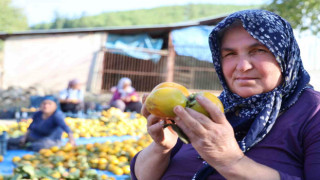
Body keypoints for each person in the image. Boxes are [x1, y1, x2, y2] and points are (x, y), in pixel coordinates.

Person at [131, 9, 320, 180]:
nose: (243, 66)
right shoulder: (208, 107)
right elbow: (142, 176)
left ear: (284, 55)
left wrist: (231, 161)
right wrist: (163, 148)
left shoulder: (312, 113)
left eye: (258, 50)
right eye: (230, 54)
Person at [7, 96, 76, 151]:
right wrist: (24, 138)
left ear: (55, 106)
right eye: (44, 103)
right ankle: (22, 145)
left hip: (50, 140)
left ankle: (27, 146)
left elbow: (66, 129)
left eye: (49, 104)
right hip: (34, 137)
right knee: (10, 141)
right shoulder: (38, 114)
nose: (46, 106)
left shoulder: (57, 115)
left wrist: (71, 141)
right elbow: (30, 127)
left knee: (39, 146)